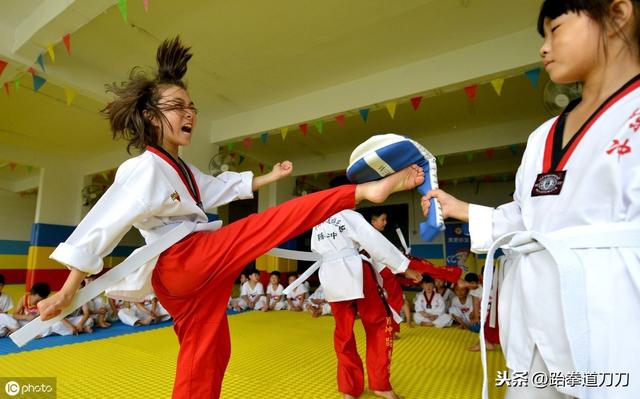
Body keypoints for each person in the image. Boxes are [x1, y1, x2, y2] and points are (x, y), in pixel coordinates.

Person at [35, 37, 425, 399]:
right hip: (183, 260)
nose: (189, 114)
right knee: (269, 224)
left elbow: (218, 188)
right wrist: (69, 288)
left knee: (209, 353)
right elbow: (104, 223)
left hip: (188, 278)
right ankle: (360, 193)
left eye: (191, 107)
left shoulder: (180, 170)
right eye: (176, 107)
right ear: (151, 117)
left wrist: (269, 177)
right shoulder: (143, 169)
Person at [422, 1, 640, 397]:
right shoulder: (542, 135)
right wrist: (462, 210)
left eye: (555, 29)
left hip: (617, 310)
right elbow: (530, 216)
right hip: (534, 309)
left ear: (618, 14)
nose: (544, 47)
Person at [311, 208, 423, 399]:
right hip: (356, 271)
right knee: (380, 324)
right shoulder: (347, 214)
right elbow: (373, 241)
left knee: (343, 333)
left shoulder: (316, 222)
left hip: (330, 275)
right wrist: (403, 266)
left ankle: (350, 389)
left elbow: (317, 250)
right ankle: (380, 385)